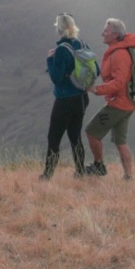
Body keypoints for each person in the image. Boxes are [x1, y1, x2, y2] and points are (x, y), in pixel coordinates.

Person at [84, 18, 135, 180]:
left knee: (92, 131)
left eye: (106, 31)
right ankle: (128, 176)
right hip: (127, 104)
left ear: (115, 35)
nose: (103, 33)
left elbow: (119, 82)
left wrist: (96, 89)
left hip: (119, 104)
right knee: (120, 141)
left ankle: (98, 166)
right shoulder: (118, 51)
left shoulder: (119, 54)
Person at [40, 13, 96, 180]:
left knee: (53, 138)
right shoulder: (83, 45)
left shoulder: (61, 50)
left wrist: (50, 60)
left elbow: (56, 77)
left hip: (65, 99)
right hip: (81, 98)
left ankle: (47, 175)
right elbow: (96, 70)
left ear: (59, 28)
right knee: (75, 136)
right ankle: (80, 171)